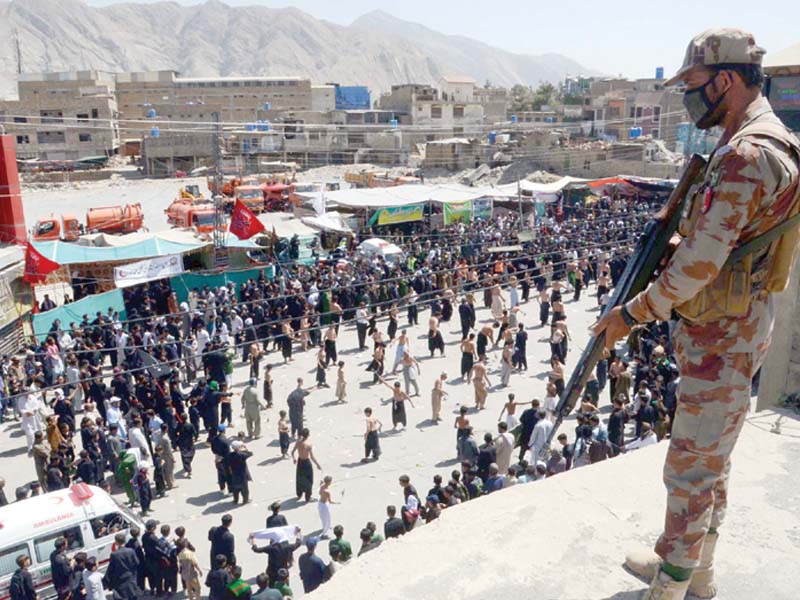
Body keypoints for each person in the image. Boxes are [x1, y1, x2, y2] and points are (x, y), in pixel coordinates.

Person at [594, 28, 800, 600]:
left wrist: (629, 315)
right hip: (733, 327)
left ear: (726, 81)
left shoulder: (746, 155)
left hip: (722, 336)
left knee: (690, 468)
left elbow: (698, 267)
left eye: (694, 85)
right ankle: (696, 572)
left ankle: (673, 585)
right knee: (712, 461)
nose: (689, 97)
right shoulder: (762, 140)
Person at [104, 533, 142, 600]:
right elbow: (137, 563)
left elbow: (111, 569)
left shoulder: (114, 554)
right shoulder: (131, 551)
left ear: (116, 542)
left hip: (120, 580)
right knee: (133, 596)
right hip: (131, 578)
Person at [292, 427, 322, 502]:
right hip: (306, 463)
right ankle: (307, 496)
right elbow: (312, 457)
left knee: (299, 478)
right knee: (309, 480)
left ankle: (299, 493)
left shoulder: (298, 442)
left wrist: (294, 459)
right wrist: (317, 464)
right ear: (308, 435)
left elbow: (292, 452)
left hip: (300, 462)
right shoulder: (308, 445)